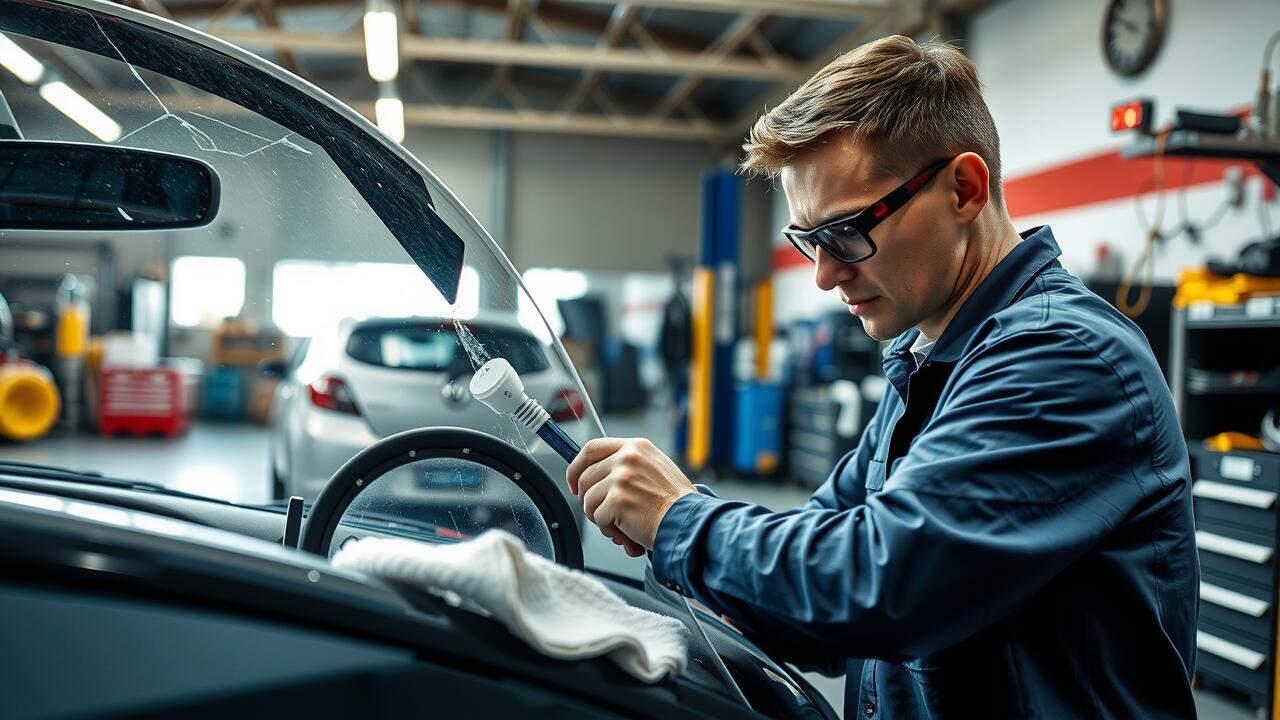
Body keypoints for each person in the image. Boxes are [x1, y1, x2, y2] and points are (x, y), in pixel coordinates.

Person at [567, 35, 1198, 719]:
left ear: (965, 188)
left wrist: (678, 518)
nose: (825, 274)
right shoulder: (928, 363)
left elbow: (876, 584)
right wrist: (677, 534)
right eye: (808, 239)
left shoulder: (1062, 359)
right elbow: (818, 592)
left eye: (845, 232)